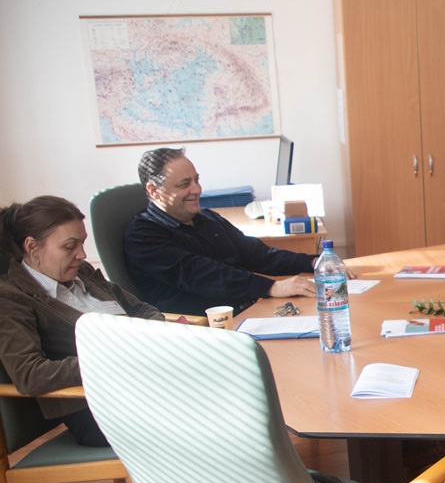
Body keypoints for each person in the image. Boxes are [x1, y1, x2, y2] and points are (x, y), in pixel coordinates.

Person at [0, 196, 164, 446]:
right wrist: (112, 360)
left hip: (148, 384)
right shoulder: (11, 297)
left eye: (82, 243)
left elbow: (143, 311)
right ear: (32, 247)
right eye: (70, 246)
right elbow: (29, 375)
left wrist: (157, 339)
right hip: (99, 409)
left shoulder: (83, 272)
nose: (82, 254)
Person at [125, 148, 318, 316]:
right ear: (154, 191)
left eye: (196, 180)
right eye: (185, 184)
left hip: (248, 308)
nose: (197, 189)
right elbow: (203, 276)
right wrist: (272, 287)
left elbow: (258, 254)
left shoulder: (206, 217)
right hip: (207, 326)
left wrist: (314, 262)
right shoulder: (142, 236)